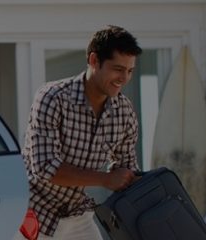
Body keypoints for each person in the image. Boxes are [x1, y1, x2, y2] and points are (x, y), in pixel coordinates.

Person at [20, 25, 142, 240]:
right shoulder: (52, 97)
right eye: (118, 69)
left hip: (77, 214)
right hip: (32, 212)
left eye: (130, 70)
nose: (124, 78)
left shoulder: (124, 112)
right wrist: (105, 179)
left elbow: (126, 167)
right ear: (94, 60)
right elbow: (46, 167)